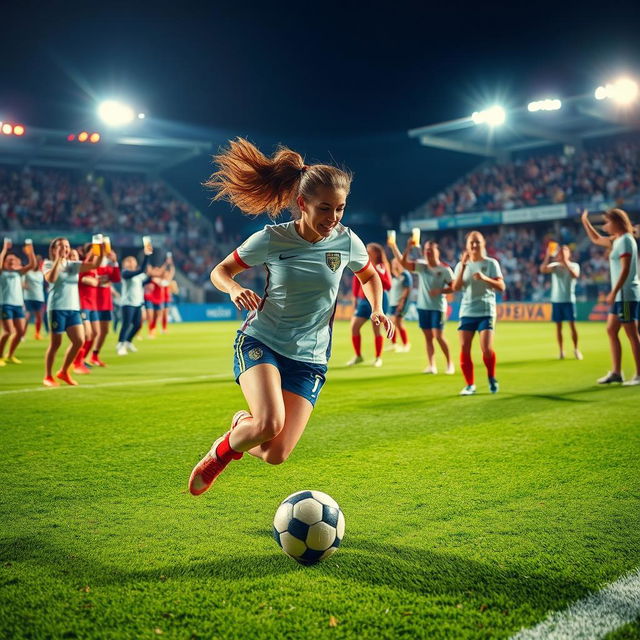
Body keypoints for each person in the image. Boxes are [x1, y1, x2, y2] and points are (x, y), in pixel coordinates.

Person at [188, 138, 394, 496]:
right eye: (325, 208)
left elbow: (370, 276)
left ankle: (240, 425)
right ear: (302, 204)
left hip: (311, 358)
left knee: (275, 454)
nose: (333, 219)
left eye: (341, 209)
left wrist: (377, 308)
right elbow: (220, 271)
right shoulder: (272, 239)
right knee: (269, 422)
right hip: (262, 341)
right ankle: (220, 454)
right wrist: (234, 289)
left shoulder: (347, 242)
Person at [581, 208, 640, 385]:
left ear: (617, 222)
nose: (605, 226)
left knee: (632, 333)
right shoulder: (619, 240)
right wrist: (585, 221)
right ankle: (616, 372)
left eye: (607, 222)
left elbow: (626, 269)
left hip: (625, 293)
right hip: (621, 294)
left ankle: (639, 374)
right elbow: (597, 239)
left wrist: (614, 291)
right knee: (611, 330)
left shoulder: (626, 241)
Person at [452, 230, 505, 395]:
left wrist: (484, 278)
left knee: (486, 349)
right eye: (471, 243)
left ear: (483, 244)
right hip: (467, 311)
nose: (474, 245)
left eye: (477, 242)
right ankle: (470, 385)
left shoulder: (491, 263)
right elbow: (455, 288)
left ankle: (491, 377)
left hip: (486, 310)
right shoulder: (461, 265)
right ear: (467, 246)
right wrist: (463, 267)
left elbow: (501, 287)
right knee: (463, 347)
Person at [391, 237, 455, 374]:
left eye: (431, 250)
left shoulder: (445, 270)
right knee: (428, 337)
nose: (428, 252)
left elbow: (454, 287)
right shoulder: (422, 266)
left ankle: (450, 363)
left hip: (438, 307)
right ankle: (432, 366)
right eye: (426, 250)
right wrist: (408, 248)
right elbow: (404, 263)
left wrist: (440, 291)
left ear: (437, 252)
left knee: (438, 336)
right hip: (422, 307)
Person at [43, 238, 99, 386]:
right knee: (56, 344)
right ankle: (48, 376)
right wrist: (58, 260)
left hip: (73, 309)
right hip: (57, 308)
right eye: (61, 246)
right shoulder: (47, 264)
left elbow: (96, 264)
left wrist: (99, 248)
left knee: (79, 341)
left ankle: (63, 371)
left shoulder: (73, 265)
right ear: (54, 249)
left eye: (67, 246)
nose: (65, 249)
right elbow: (52, 279)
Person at [346, 242, 392, 367]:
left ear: (376, 253)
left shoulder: (382, 266)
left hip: (378, 300)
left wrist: (376, 274)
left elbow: (388, 285)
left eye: (369, 251)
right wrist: (355, 298)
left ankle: (378, 358)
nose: (366, 252)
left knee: (376, 330)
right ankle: (358, 356)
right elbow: (356, 281)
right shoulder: (363, 263)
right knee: (354, 327)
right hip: (363, 301)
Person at [540, 244, 583, 360]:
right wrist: (548, 256)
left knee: (572, 326)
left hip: (569, 300)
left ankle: (576, 349)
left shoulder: (574, 265)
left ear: (569, 254)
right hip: (556, 300)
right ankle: (561, 351)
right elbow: (543, 269)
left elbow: (575, 275)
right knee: (558, 327)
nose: (562, 255)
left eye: (564, 252)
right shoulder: (555, 266)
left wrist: (565, 262)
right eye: (560, 253)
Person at [0, 239, 37, 364]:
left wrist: (30, 250)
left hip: (18, 305)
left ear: (17, 263)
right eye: (8, 260)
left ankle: (10, 355)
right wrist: (5, 249)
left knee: (20, 332)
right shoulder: (2, 272)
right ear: (4, 262)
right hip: (5, 305)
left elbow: (32, 264)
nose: (11, 261)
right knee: (8, 332)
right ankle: (0, 356)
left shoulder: (18, 273)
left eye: (13, 260)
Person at [116, 248, 153, 355]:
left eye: (133, 261)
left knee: (138, 325)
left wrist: (150, 275)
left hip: (137, 303)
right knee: (126, 325)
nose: (132, 262)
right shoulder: (125, 273)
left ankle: (128, 342)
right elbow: (141, 270)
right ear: (124, 264)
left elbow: (145, 281)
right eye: (129, 261)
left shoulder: (138, 275)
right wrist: (146, 256)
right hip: (128, 303)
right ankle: (120, 345)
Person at [74, 244, 101, 374]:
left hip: (93, 304)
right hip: (83, 302)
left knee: (95, 333)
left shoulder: (94, 268)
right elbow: (84, 280)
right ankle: (76, 362)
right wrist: (91, 281)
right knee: (86, 334)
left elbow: (96, 282)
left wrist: (93, 281)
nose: (96, 252)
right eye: (93, 250)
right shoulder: (83, 265)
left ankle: (82, 359)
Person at [92, 250, 122, 366]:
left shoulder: (108, 267)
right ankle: (82, 357)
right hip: (93, 302)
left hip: (106, 302)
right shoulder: (92, 266)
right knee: (92, 332)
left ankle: (95, 355)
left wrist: (114, 262)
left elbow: (117, 278)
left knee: (104, 331)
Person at [386, 258, 413, 352]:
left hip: (400, 303)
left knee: (397, 323)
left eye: (396, 263)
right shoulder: (394, 276)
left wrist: (401, 303)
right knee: (393, 323)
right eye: (393, 263)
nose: (394, 265)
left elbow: (407, 289)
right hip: (393, 303)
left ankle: (406, 344)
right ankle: (394, 344)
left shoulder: (405, 275)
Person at [23, 255, 46, 341]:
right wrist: (25, 286)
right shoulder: (27, 272)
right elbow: (22, 283)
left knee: (39, 316)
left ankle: (37, 334)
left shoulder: (41, 273)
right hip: (28, 297)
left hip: (39, 297)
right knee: (27, 316)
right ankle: (22, 334)